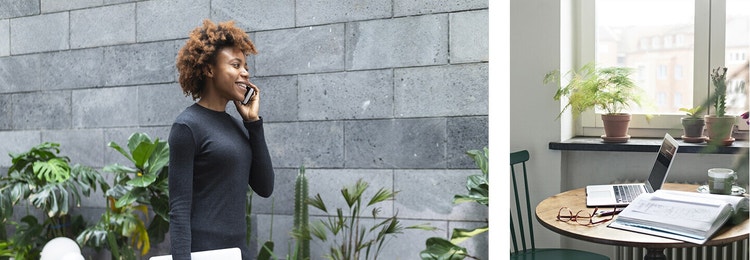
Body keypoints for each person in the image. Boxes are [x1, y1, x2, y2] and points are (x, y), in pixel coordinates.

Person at [168, 19, 275, 260]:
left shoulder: (238, 126)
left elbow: (265, 187)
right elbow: (179, 209)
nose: (245, 72)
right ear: (209, 70)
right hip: (203, 253)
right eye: (236, 65)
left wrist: (253, 124)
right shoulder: (187, 126)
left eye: (245, 66)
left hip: (237, 252)